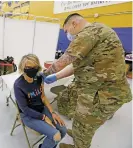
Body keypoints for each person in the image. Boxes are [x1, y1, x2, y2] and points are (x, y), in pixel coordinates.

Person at [42, 13, 132, 148]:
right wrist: (56, 77)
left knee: (86, 124)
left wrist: (44, 74)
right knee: (79, 118)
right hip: (95, 90)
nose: (68, 35)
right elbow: (75, 65)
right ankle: (78, 134)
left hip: (104, 94)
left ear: (74, 24)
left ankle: (79, 145)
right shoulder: (98, 33)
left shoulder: (89, 33)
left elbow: (66, 59)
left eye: (66, 31)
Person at [14, 54, 67, 148]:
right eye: (28, 67)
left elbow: (43, 97)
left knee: (63, 130)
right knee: (55, 135)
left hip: (41, 109)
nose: (32, 70)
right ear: (22, 67)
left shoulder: (39, 78)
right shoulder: (19, 85)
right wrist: (44, 117)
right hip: (28, 115)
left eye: (35, 67)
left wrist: (53, 112)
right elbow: (25, 109)